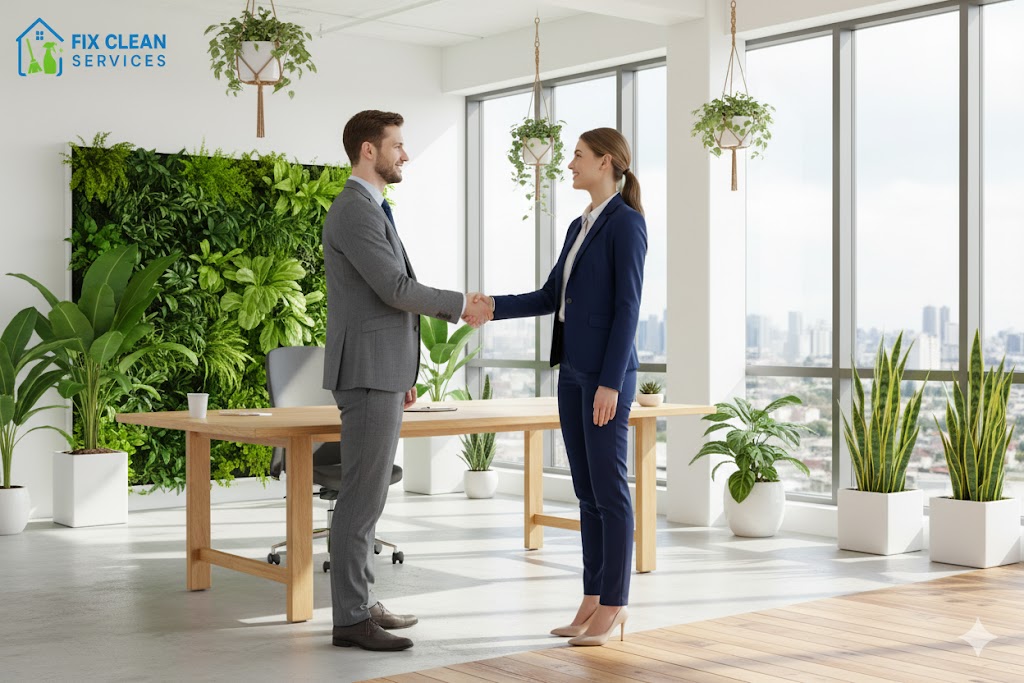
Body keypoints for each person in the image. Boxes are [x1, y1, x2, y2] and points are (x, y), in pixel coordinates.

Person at [322, 110, 492, 651]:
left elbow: (378, 301)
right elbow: (395, 288)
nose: (405, 154)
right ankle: (350, 619)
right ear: (368, 151)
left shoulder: (372, 208)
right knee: (361, 496)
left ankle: (360, 603)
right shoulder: (355, 209)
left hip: (382, 371)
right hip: (368, 374)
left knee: (368, 497)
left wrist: (402, 371)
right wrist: (461, 305)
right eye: (397, 145)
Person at [471, 127, 646, 647]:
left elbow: (628, 309)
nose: (569, 164)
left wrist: (611, 383)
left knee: (611, 492)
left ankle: (615, 604)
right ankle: (591, 599)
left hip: (604, 378)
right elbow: (552, 294)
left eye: (577, 156)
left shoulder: (626, 225)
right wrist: (493, 307)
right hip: (571, 372)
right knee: (587, 493)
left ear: (606, 162)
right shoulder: (580, 224)